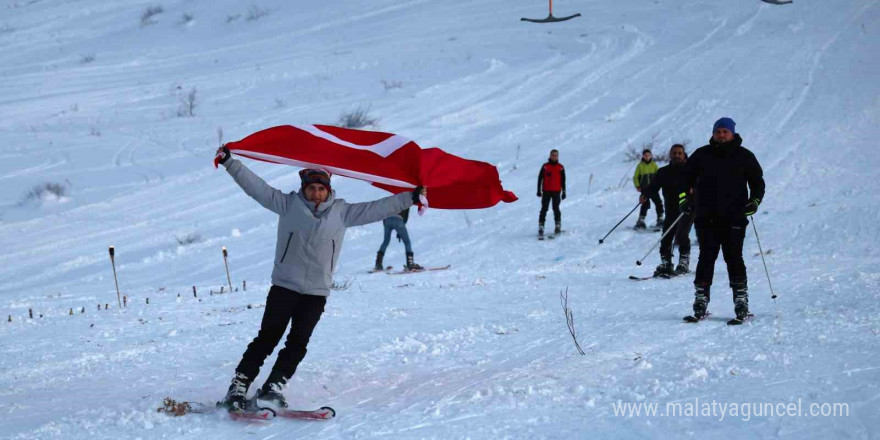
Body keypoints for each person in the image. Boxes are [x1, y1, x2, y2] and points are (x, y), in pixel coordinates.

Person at [214, 145, 426, 411]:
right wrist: (231, 163)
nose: (316, 193)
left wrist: (411, 197)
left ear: (328, 190)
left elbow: (378, 208)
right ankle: (239, 385)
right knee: (268, 337)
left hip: (316, 291)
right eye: (311, 188)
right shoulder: (287, 204)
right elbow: (257, 187)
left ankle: (274, 386)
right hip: (284, 286)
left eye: (321, 189)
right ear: (304, 188)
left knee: (298, 342)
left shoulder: (342, 212)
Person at [680, 117, 765, 321]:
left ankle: (741, 299)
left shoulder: (745, 156)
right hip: (706, 216)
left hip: (734, 217)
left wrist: (754, 202)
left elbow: (757, 183)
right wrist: (685, 199)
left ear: (733, 133)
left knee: (734, 257)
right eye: (718, 131)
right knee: (706, 257)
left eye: (725, 131)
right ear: (713, 133)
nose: (721, 134)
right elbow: (685, 178)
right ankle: (701, 298)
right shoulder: (701, 155)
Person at [643, 144, 693, 276]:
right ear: (670, 155)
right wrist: (645, 195)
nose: (677, 155)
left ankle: (684, 262)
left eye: (679, 153)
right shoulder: (663, 172)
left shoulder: (690, 171)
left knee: (682, 234)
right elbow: (654, 187)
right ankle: (666, 262)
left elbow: (698, 187)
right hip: (671, 209)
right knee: (666, 235)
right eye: (674, 153)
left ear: (684, 155)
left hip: (687, 209)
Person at [374, 207, 423, 271]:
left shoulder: (392, 199)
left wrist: (385, 223)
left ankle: (378, 264)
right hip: (398, 220)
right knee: (407, 242)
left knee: (386, 241)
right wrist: (400, 231)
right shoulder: (405, 202)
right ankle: (410, 264)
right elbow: (405, 217)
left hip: (387, 219)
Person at [537, 149, 566, 238]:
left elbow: (563, 180)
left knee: (556, 208)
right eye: (552, 155)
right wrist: (538, 190)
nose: (554, 156)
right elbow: (540, 178)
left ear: (558, 156)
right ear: (550, 156)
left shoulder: (560, 167)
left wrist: (564, 191)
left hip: (556, 191)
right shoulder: (545, 166)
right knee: (544, 209)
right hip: (546, 191)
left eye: (556, 155)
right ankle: (541, 226)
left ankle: (558, 226)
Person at [632, 149, 664, 229]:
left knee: (658, 203)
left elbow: (658, 176)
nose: (647, 157)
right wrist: (638, 186)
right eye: (645, 155)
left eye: (648, 155)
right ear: (643, 156)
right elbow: (635, 177)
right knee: (645, 204)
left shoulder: (653, 165)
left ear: (651, 156)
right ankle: (641, 220)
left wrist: (660, 184)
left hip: (653, 189)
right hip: (644, 189)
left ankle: (660, 219)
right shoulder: (640, 166)